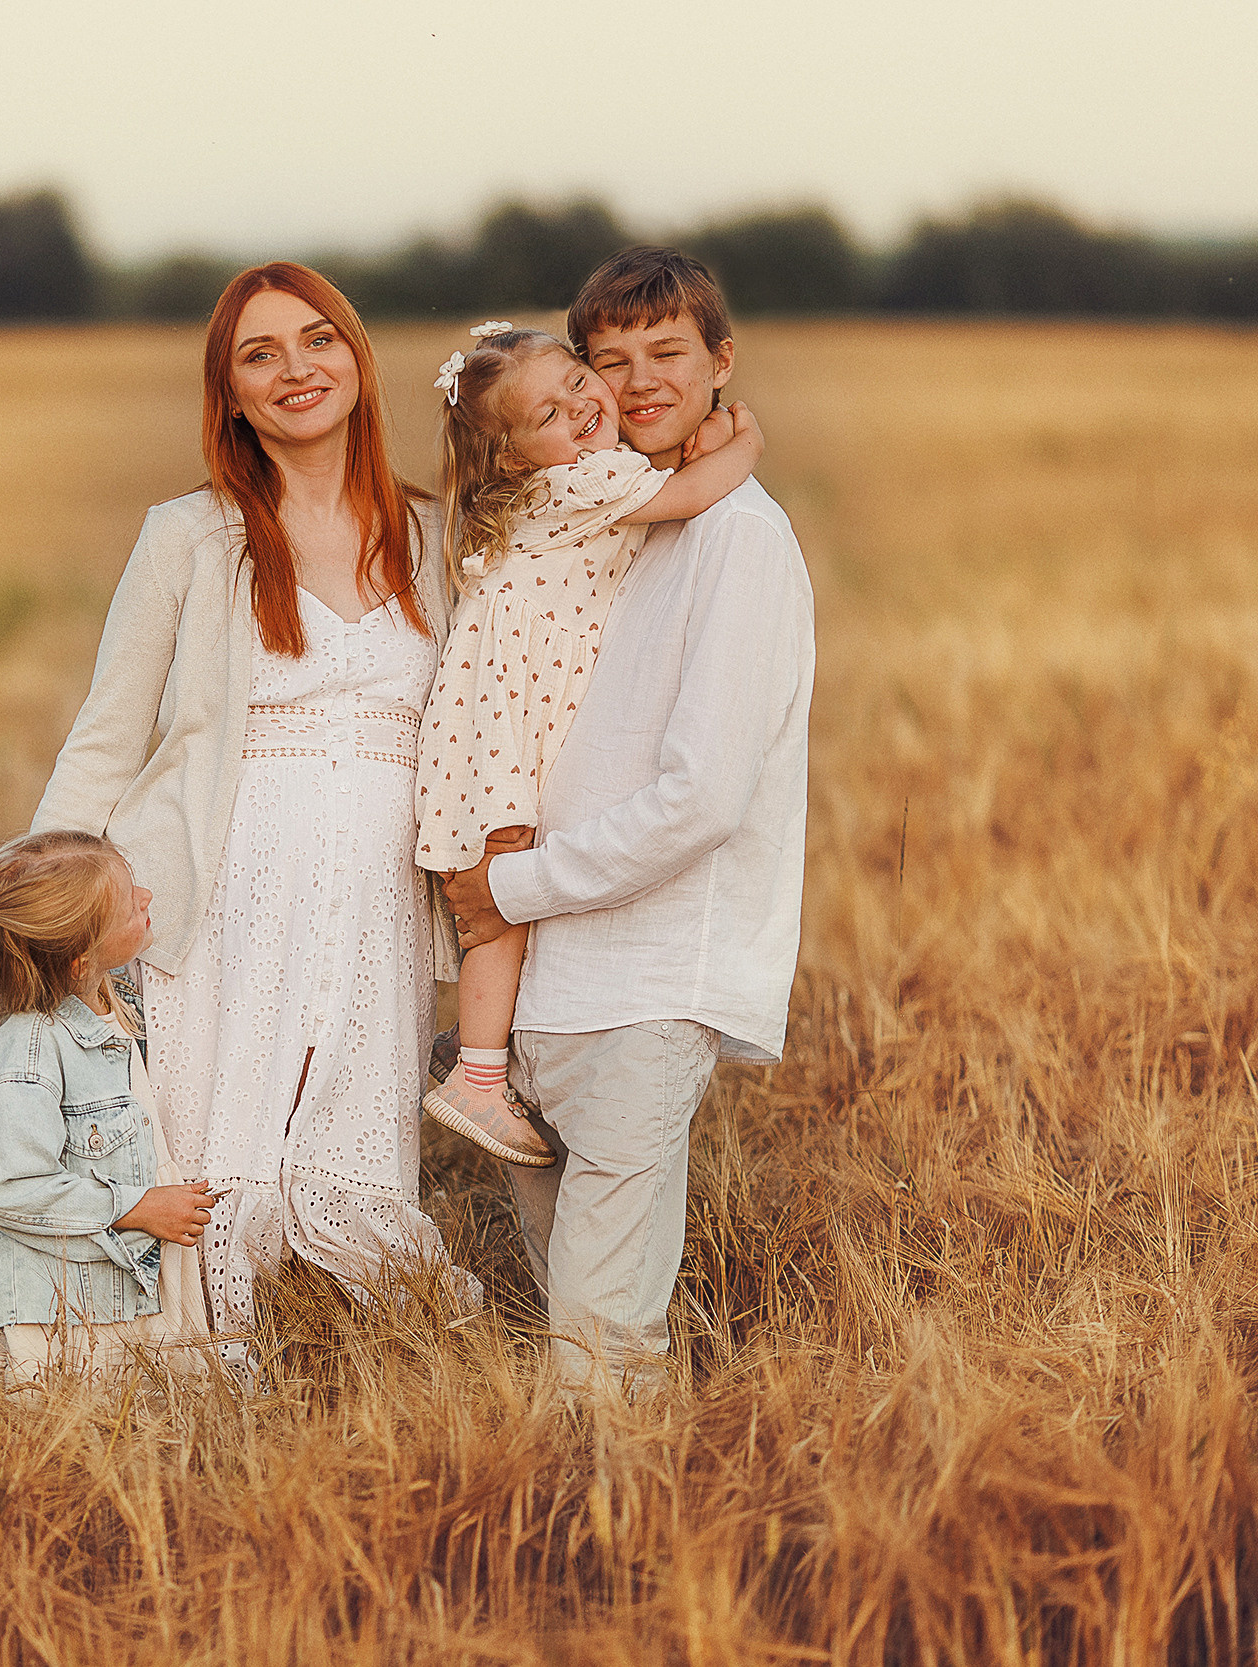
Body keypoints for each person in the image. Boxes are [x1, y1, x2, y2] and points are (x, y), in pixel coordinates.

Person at [31, 262, 478, 1351]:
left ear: (357, 359)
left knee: (351, 1133)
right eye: (259, 355)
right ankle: (194, 1336)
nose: (296, 370)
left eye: (318, 340)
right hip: (224, 878)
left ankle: (341, 1333)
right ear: (228, 395)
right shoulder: (189, 533)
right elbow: (109, 727)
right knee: (209, 1137)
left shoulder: (434, 534)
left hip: (376, 890)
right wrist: (35, 905)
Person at [441, 248, 815, 1396]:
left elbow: (702, 797)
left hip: (642, 987)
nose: (637, 381)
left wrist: (510, 891)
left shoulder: (736, 540)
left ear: (721, 363)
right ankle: (586, 1544)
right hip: (550, 988)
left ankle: (622, 1551)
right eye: (611, 359)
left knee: (600, 1336)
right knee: (574, 1311)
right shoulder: (617, 516)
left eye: (667, 353)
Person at [413, 322, 764, 1167]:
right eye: (549, 414)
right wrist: (743, 437)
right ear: (512, 457)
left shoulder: (561, 482)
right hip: (510, 717)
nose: (582, 408)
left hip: (494, 705)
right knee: (501, 881)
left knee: (499, 883)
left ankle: (481, 1043)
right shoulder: (585, 482)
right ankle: (480, 1076)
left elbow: (664, 476)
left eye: (578, 383)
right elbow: (687, 493)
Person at [0, 830, 217, 1387]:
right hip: (68, 1309)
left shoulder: (111, 1003)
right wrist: (135, 1209)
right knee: (83, 1419)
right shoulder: (27, 1055)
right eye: (126, 901)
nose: (146, 896)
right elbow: (10, 1188)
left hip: (116, 1287)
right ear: (79, 957)